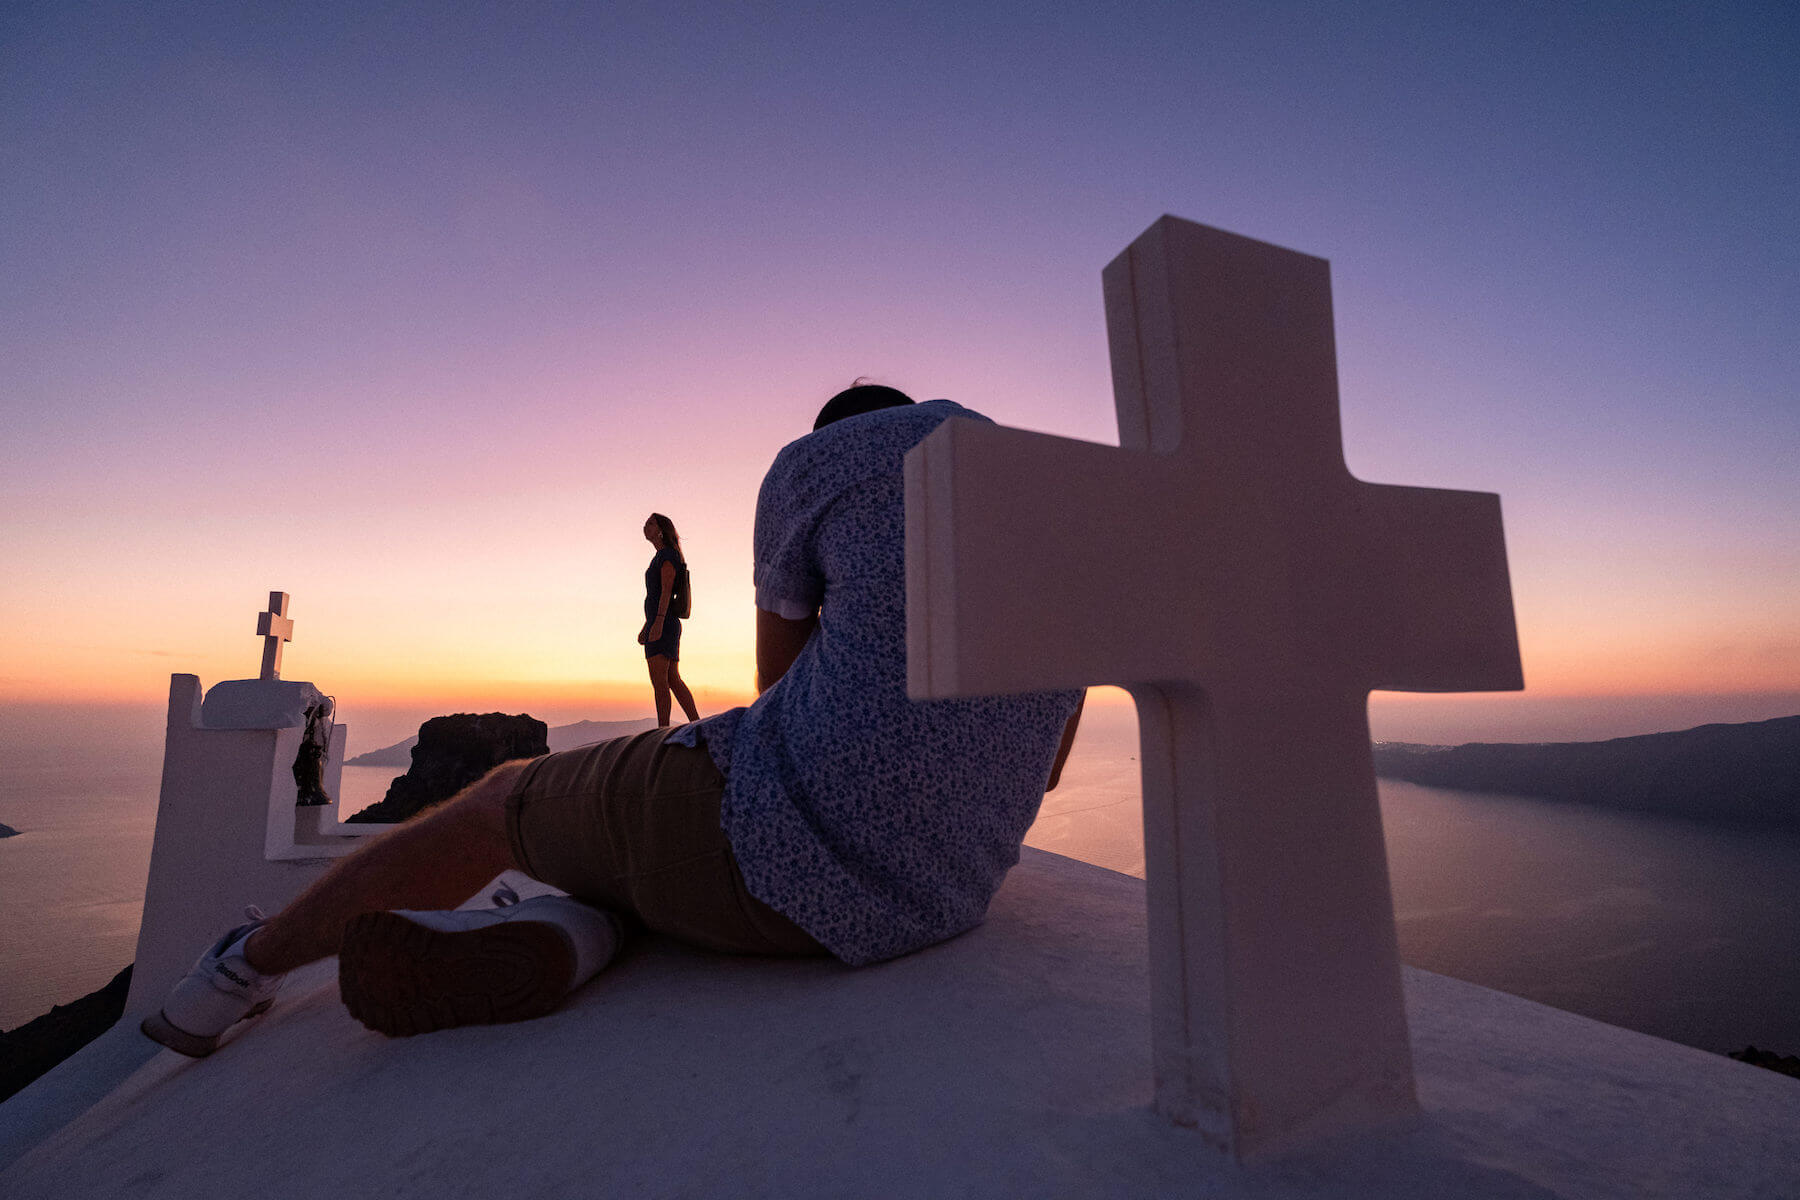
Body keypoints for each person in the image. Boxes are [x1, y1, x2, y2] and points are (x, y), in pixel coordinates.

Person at [141, 383, 1084, 1056]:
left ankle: (229, 977)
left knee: (501, 800)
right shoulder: (1049, 508)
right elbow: (1045, 769)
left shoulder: (817, 461)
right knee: (644, 858)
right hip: (941, 899)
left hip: (780, 855)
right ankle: (566, 933)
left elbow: (776, 691)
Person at [639, 513, 700, 726]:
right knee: (672, 679)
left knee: (660, 682)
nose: (645, 526)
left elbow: (665, 592)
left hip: (663, 624)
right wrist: (647, 625)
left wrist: (657, 623)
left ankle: (662, 729)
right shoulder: (663, 556)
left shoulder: (667, 556)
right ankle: (695, 723)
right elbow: (656, 597)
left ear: (661, 530)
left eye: (650, 523)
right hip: (662, 623)